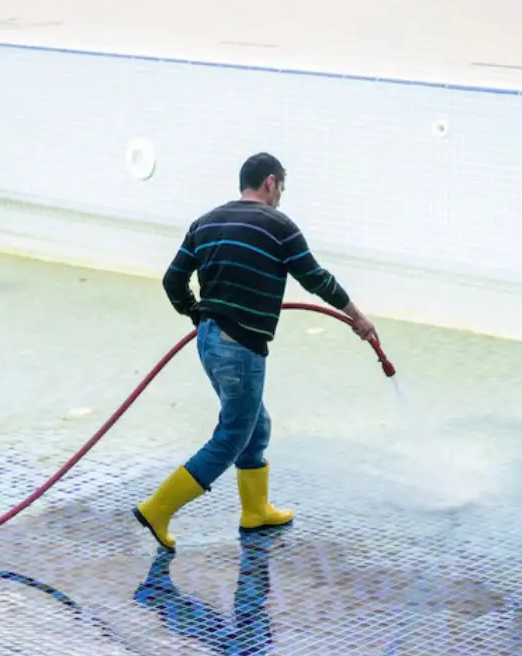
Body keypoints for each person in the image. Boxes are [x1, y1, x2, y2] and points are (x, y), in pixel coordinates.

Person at [132, 152, 379, 551]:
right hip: (240, 345)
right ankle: (158, 508)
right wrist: (357, 318)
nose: (281, 195)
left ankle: (255, 510)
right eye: (281, 186)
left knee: (254, 424)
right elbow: (316, 278)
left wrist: (197, 313)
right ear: (270, 182)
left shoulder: (206, 222)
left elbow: (172, 280)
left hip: (209, 340)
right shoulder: (278, 226)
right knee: (232, 435)